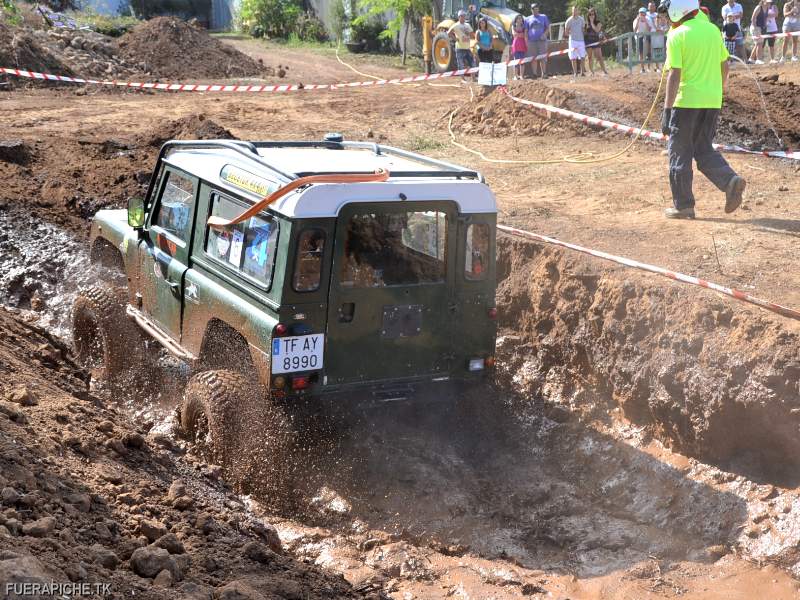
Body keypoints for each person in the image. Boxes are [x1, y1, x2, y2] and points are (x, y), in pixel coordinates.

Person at [659, 0, 746, 219]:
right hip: (711, 101)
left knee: (679, 152)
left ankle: (683, 205)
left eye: (667, 13)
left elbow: (674, 74)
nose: (667, 18)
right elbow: (725, 64)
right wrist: (717, 90)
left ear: (677, 10)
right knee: (703, 148)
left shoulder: (677, 35)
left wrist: (667, 109)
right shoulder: (713, 30)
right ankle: (729, 181)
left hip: (685, 102)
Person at [525, 3, 550, 78]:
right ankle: (534, 74)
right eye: (533, 9)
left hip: (542, 41)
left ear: (538, 9)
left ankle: (544, 73)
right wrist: (526, 41)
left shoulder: (543, 17)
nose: (535, 10)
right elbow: (526, 31)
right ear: (531, 10)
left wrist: (544, 34)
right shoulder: (527, 19)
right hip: (531, 41)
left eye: (536, 9)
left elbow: (547, 28)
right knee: (533, 58)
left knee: (542, 57)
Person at [448, 10, 475, 80]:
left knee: (472, 63)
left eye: (464, 16)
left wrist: (469, 35)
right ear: (459, 17)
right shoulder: (455, 25)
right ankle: (462, 78)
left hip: (467, 48)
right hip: (459, 48)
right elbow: (448, 33)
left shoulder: (468, 25)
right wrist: (455, 39)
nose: (463, 17)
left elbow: (472, 34)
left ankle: (473, 78)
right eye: (462, 16)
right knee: (461, 64)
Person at [565, 5, 587, 79]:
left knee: (582, 56)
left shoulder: (581, 19)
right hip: (573, 41)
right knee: (573, 58)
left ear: (578, 11)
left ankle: (582, 72)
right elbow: (566, 32)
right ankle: (575, 73)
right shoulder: (569, 20)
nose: (575, 12)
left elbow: (583, 30)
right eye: (573, 10)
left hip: (581, 40)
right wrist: (571, 35)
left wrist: (583, 34)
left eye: (576, 10)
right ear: (572, 11)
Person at [585, 7, 609, 75]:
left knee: (599, 57)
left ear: (595, 15)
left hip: (596, 41)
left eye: (593, 14)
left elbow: (597, 30)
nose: (592, 16)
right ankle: (592, 72)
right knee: (590, 57)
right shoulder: (586, 23)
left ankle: (604, 71)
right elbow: (585, 33)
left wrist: (592, 22)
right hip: (588, 42)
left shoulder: (598, 22)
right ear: (588, 15)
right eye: (590, 14)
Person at [633, 7, 655, 72]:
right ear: (639, 14)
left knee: (649, 51)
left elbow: (649, 29)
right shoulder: (635, 20)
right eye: (641, 13)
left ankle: (649, 67)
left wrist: (645, 21)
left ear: (645, 14)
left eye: (643, 13)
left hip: (646, 36)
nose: (642, 15)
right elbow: (634, 30)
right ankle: (642, 69)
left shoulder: (648, 19)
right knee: (641, 54)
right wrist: (637, 21)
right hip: (639, 37)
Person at [511, 14, 528, 79]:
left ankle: (521, 75)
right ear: (516, 19)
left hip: (523, 44)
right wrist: (521, 34)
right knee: (516, 60)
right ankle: (515, 76)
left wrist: (519, 34)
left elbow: (525, 35)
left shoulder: (524, 27)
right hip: (515, 44)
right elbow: (514, 34)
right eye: (518, 18)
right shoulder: (513, 26)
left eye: (520, 18)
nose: (519, 19)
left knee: (522, 60)